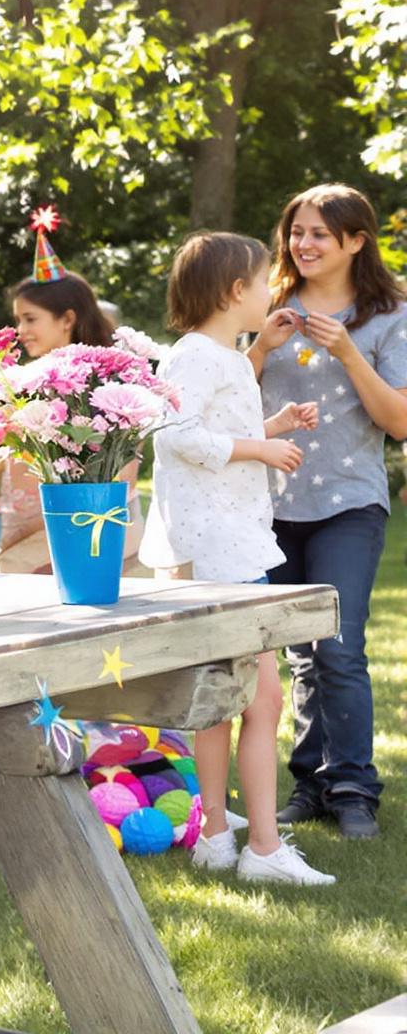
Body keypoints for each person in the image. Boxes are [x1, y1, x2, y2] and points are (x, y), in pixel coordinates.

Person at [146, 232, 330, 885]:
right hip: (221, 548)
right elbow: (177, 438)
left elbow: (210, 431)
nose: (268, 291)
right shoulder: (200, 357)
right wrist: (259, 451)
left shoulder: (212, 356)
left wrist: (273, 429)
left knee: (222, 697)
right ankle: (265, 850)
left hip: (217, 543)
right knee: (262, 698)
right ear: (233, 292)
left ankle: (218, 836)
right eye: (260, 282)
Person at [251, 183, 407, 842]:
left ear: (355, 241)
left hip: (349, 501)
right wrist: (258, 346)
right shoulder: (266, 303)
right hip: (269, 506)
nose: (304, 244)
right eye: (297, 231)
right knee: (300, 656)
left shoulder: (390, 314)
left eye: (319, 233)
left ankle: (353, 789)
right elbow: (229, 402)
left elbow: (398, 421)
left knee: (338, 648)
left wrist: (348, 351)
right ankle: (310, 783)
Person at [0, 218, 145, 570]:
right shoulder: (17, 384)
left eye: (30, 319)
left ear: (67, 319)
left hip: (94, 536)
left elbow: (124, 476)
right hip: (23, 545)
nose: (21, 331)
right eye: (18, 320)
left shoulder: (111, 385)